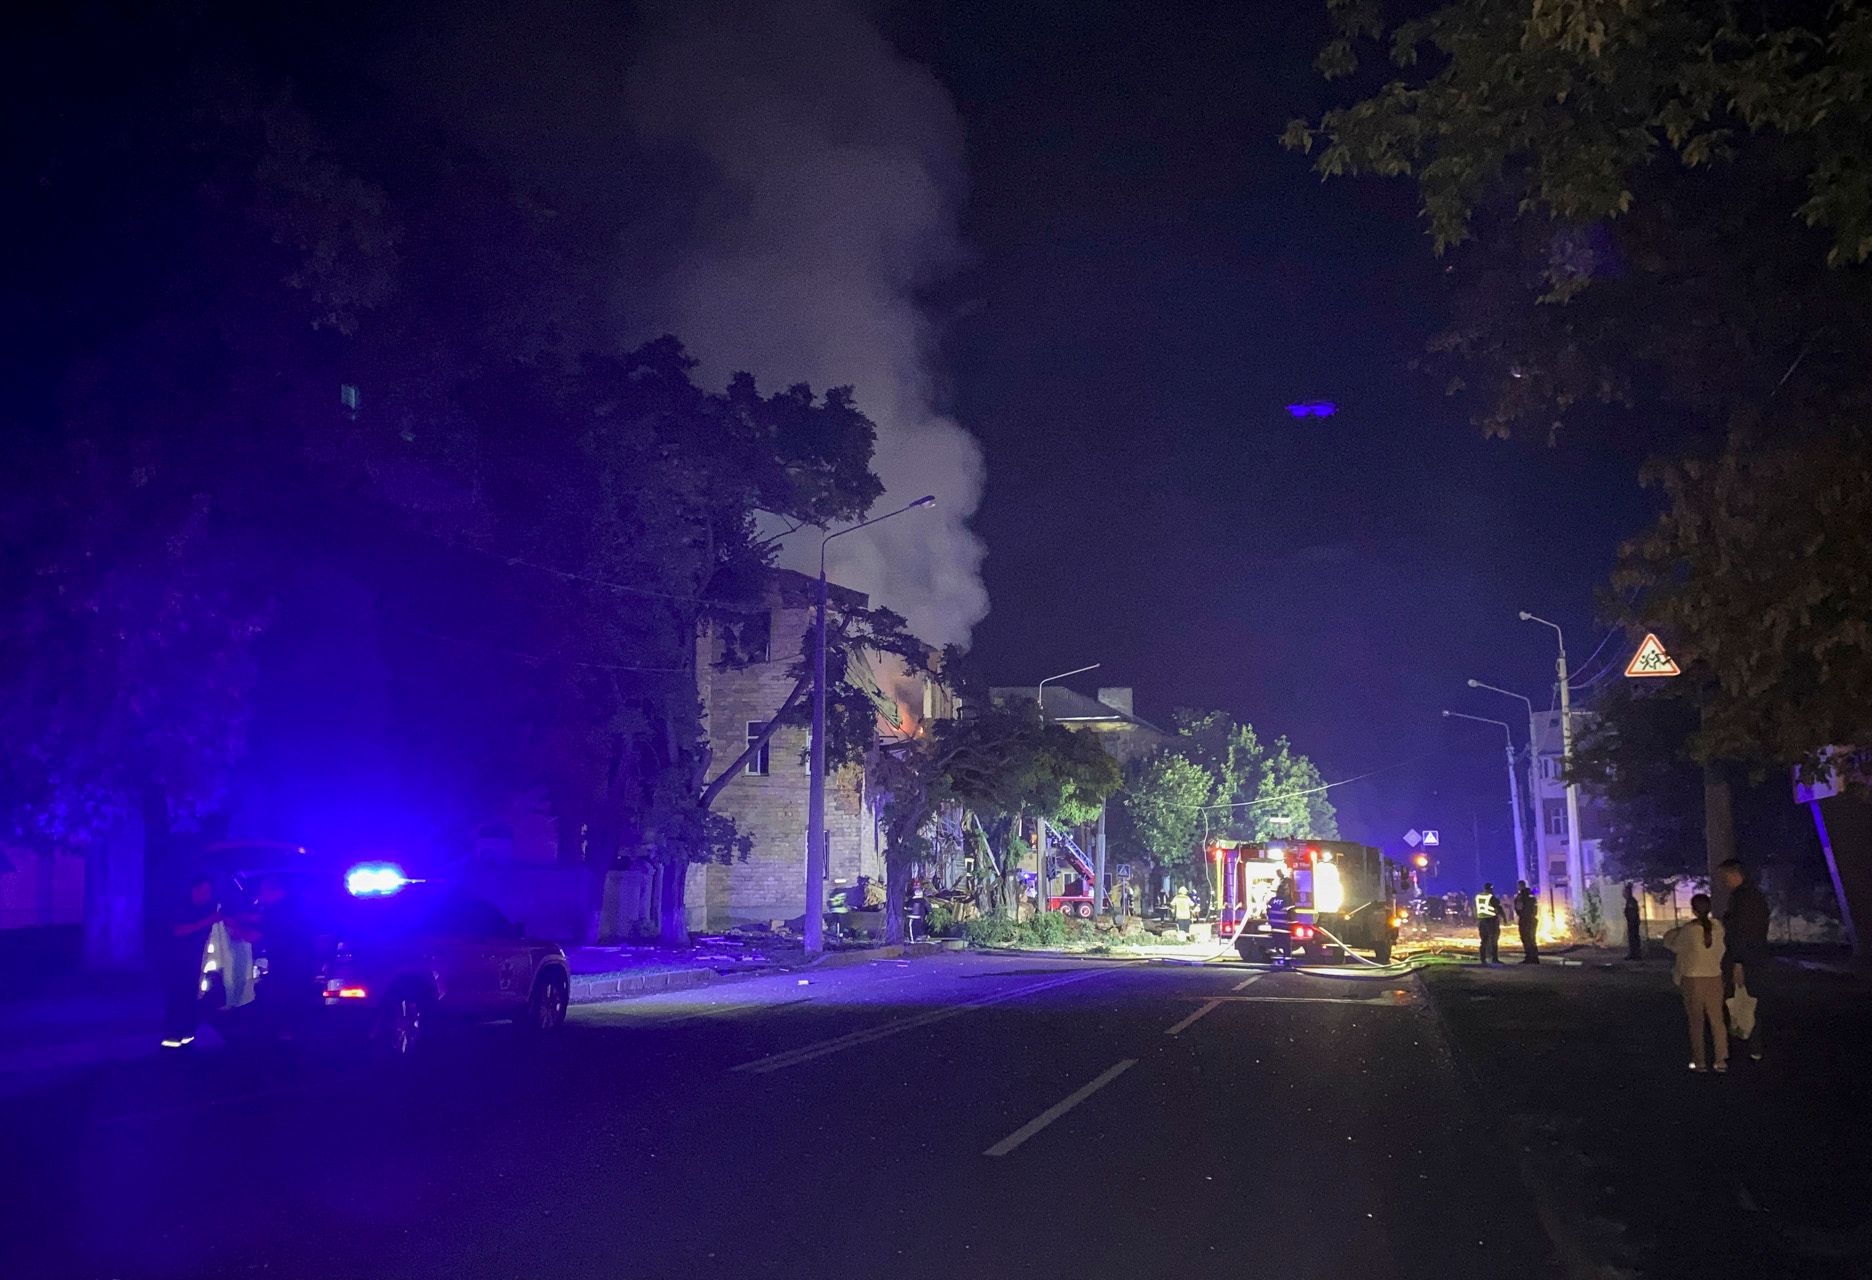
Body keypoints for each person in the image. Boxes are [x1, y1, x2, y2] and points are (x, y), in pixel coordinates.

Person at [1665, 892, 1728, 1072]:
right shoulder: (1719, 929)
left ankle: (1699, 1060)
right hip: (1714, 977)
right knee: (1717, 1021)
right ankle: (1721, 1060)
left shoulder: (1689, 930)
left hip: (1693, 979)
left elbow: (1673, 944)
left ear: (1693, 910)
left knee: (1696, 1021)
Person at [1718, 858, 1771, 1061]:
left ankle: (1748, 1043)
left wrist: (1738, 962)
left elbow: (1742, 932)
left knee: (1744, 1002)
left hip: (1745, 959)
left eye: (1725, 876)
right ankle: (1752, 1045)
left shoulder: (1743, 898)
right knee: (1749, 1001)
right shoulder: (1753, 896)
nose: (1723, 882)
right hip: (1755, 957)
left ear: (1734, 874)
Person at [162, 876, 220, 1049]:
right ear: (195, 890)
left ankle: (188, 1035)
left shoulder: (204, 909)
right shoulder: (181, 908)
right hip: (177, 963)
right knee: (177, 998)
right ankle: (172, 1038)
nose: (207, 895)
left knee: (190, 998)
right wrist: (208, 921)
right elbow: (178, 931)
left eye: (209, 892)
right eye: (205, 891)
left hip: (195, 962)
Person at [1474, 882, 1503, 965]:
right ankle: (1494, 958)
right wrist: (1504, 918)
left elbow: (1475, 907)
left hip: (1482, 921)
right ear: (1491, 889)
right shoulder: (1491, 897)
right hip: (1491, 921)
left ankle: (1483, 959)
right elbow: (1498, 907)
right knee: (1494, 940)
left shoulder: (1478, 896)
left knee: (1484, 940)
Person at [1513, 880, 1540, 963]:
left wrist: (1520, 913)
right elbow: (1535, 907)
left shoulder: (1520, 896)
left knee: (1525, 938)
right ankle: (1535, 958)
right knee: (1532, 938)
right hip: (1533, 919)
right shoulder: (1532, 895)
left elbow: (1518, 908)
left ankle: (1529, 957)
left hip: (1524, 920)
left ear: (1520, 886)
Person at [1623, 883, 1645, 961]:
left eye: (1625, 892)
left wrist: (1632, 923)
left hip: (1633, 924)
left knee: (1634, 938)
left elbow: (1632, 913)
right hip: (1632, 923)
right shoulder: (1630, 901)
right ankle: (1633, 953)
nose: (1623, 894)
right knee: (1632, 939)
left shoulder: (1631, 901)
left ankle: (1635, 954)